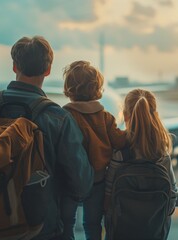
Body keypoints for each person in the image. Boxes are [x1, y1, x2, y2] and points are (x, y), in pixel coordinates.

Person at [0, 36, 94, 240]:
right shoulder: (58, 118)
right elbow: (81, 184)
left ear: (15, 66)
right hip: (41, 229)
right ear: (48, 70)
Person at [61, 60, 127, 240]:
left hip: (69, 180)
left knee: (66, 222)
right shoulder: (105, 117)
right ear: (97, 89)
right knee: (92, 225)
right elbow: (120, 141)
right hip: (97, 181)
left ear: (69, 88)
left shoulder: (64, 116)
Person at [104, 89, 178, 240]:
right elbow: (172, 194)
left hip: (122, 232)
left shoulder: (120, 152)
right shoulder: (160, 152)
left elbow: (108, 195)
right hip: (153, 232)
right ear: (155, 115)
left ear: (125, 115)